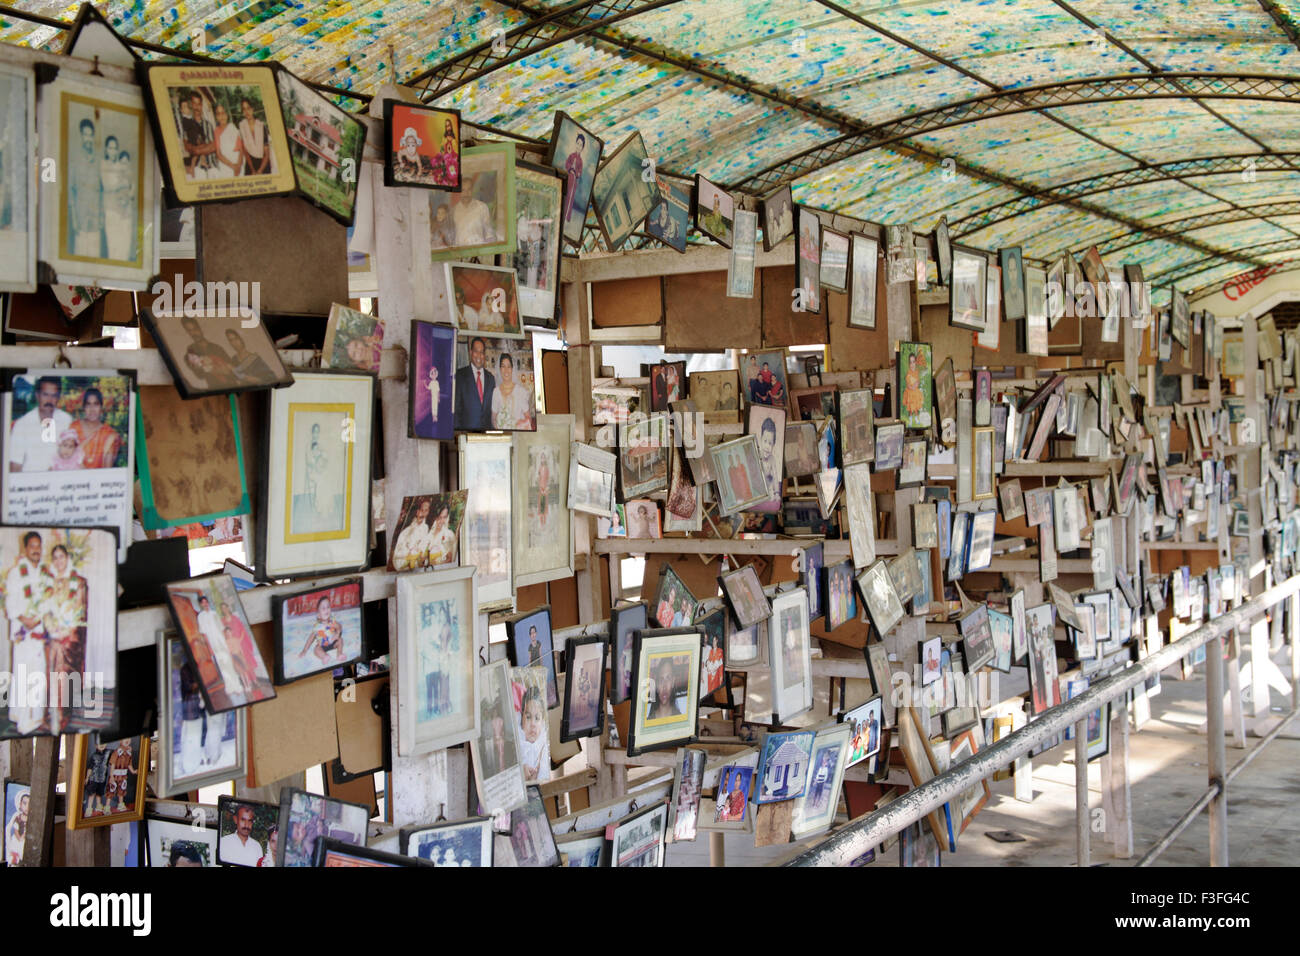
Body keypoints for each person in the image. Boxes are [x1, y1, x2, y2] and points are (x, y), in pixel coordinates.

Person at [6, 532, 50, 733]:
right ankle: (22, 718)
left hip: (39, 631)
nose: (36, 550)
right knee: (23, 672)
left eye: (38, 546)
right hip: (23, 633)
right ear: (26, 548)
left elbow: (48, 600)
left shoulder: (44, 573)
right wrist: (26, 620)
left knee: (39, 672)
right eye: (32, 546)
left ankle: (37, 717)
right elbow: (11, 603)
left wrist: (38, 619)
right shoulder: (16, 572)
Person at [43, 544, 86, 732]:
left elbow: (79, 611)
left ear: (67, 558)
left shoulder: (77, 582)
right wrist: (53, 629)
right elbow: (45, 611)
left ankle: (66, 714)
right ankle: (54, 714)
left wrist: (66, 631)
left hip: (70, 637)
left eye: (62, 556)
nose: (59, 561)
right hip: (54, 636)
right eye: (56, 557)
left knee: (65, 670)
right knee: (52, 669)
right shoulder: (50, 584)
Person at [10, 376, 73, 473]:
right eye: (45, 395)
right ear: (37, 395)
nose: (49, 400)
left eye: (54, 395)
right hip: (31, 484)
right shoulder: (22, 425)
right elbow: (15, 466)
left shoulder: (66, 420)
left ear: (59, 397)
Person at [196, 594, 245, 704]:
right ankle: (229, 687)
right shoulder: (201, 616)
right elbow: (203, 633)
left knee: (230, 664)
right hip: (213, 644)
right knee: (222, 665)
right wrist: (210, 647)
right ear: (200, 604)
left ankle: (237, 686)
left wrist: (225, 643)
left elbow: (221, 628)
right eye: (203, 602)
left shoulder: (214, 614)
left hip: (221, 642)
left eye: (206, 601)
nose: (205, 604)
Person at [68, 117, 103, 258]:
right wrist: (74, 220)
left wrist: (101, 217)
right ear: (81, 136)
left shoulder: (99, 161)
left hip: (95, 220)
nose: (88, 138)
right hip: (81, 220)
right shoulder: (75, 160)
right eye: (85, 135)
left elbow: (102, 191)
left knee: (95, 263)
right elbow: (71, 191)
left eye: (90, 135)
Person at [100, 139, 136, 261]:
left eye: (115, 148)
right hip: (111, 211)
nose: (113, 151)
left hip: (125, 213)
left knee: (124, 247)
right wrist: (121, 185)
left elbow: (131, 188)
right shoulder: (103, 165)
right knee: (113, 248)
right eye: (110, 148)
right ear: (106, 149)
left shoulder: (121, 166)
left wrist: (129, 193)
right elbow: (107, 186)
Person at [69, 387, 121, 469]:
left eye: (96, 404)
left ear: (101, 407)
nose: (92, 409)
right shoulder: (74, 427)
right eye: (88, 404)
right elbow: (66, 458)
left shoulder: (108, 434)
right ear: (84, 407)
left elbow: (107, 471)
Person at [454, 336, 495, 431]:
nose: (479, 356)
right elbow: (456, 410)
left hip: (486, 436)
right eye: (476, 351)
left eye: (482, 352)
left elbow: (492, 410)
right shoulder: (460, 376)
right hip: (465, 434)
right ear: (471, 352)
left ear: (484, 355)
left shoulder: (491, 379)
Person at [517, 683, 550, 782]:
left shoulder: (544, 746)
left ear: (542, 721)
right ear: (521, 717)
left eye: (537, 718)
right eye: (528, 717)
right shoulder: (515, 745)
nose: (533, 724)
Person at [177, 658, 205, 776]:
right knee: (190, 739)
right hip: (190, 709)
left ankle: (194, 763)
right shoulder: (186, 669)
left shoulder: (198, 666)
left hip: (197, 708)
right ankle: (188, 765)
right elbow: (189, 687)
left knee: (195, 738)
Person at [298, 595, 345, 665]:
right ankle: (325, 656)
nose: (326, 610)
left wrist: (337, 633)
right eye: (323, 608)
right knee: (316, 650)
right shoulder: (317, 627)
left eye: (328, 607)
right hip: (322, 646)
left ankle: (339, 654)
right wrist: (304, 650)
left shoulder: (332, 621)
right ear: (318, 615)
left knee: (340, 640)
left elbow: (339, 627)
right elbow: (310, 639)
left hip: (333, 642)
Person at [491, 352, 533, 430]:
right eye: (503, 366)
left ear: (512, 369)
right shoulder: (496, 392)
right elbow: (493, 419)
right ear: (499, 369)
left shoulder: (521, 391)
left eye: (509, 366)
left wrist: (519, 425)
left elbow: (528, 418)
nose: (506, 370)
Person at [181, 90, 216, 179]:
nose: (197, 107)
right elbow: (187, 147)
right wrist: (205, 147)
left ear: (202, 105)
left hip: (211, 166)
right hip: (196, 169)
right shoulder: (187, 123)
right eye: (194, 104)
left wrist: (196, 150)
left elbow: (213, 147)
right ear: (191, 105)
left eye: (199, 104)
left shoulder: (208, 125)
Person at [452, 173, 494, 246]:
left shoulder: (482, 207)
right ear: (459, 192)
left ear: (473, 189)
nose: (466, 193)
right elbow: (452, 237)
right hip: (460, 254)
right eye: (463, 190)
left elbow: (489, 234)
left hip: (478, 253)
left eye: (469, 189)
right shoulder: (454, 210)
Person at [392, 497, 433, 570]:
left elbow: (425, 548)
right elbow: (398, 554)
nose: (423, 513)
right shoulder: (407, 531)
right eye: (421, 510)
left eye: (426, 510)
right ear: (417, 512)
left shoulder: (427, 529)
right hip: (405, 563)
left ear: (429, 512)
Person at [238, 97, 273, 176]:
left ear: (252, 109)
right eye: (244, 109)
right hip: (250, 164)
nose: (247, 112)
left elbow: (266, 154)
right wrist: (253, 170)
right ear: (242, 112)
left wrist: (260, 171)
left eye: (248, 108)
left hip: (263, 163)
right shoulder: (242, 126)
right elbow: (245, 152)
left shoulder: (261, 126)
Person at [209, 102, 244, 178]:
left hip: (238, 163)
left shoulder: (232, 127)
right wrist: (233, 167)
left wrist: (238, 165)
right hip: (226, 165)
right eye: (218, 114)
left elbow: (241, 149)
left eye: (223, 113)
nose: (221, 116)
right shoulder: (216, 131)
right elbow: (219, 154)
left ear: (227, 114)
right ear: (216, 117)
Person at [562, 133, 586, 228]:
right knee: (565, 194)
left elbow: (580, 171)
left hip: (574, 181)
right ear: (575, 144)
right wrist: (570, 169)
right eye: (578, 143)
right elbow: (567, 164)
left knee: (571, 198)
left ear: (582, 147)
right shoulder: (571, 156)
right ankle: (562, 212)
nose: (579, 146)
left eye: (581, 145)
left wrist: (577, 173)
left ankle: (567, 216)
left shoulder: (580, 161)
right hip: (568, 178)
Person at [106, 738, 135, 813]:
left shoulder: (129, 753)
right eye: (125, 739)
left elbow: (129, 764)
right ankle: (107, 806)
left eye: (129, 738)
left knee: (122, 790)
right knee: (111, 790)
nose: (127, 740)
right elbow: (113, 764)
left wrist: (133, 771)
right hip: (115, 775)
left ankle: (120, 804)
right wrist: (111, 776)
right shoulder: (117, 752)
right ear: (120, 741)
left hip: (123, 776)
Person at [756, 415, 780, 502]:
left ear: (773, 445)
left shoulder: (772, 459)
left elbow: (775, 476)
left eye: (770, 443)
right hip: (758, 486)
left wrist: (777, 492)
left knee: (773, 498)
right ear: (761, 439)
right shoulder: (757, 455)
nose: (767, 446)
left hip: (768, 485)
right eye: (765, 441)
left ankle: (772, 494)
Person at [4, 791, 28, 865]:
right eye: (24, 803)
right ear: (20, 804)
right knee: (15, 849)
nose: (27, 806)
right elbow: (15, 829)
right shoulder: (17, 816)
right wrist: (19, 838)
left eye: (30, 804)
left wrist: (23, 837)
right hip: (17, 838)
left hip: (26, 839)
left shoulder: (31, 818)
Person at [902, 352, 926, 422]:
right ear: (909, 364)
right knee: (910, 408)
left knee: (916, 407)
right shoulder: (908, 373)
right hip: (910, 393)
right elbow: (908, 384)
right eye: (910, 362)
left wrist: (915, 385)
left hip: (915, 392)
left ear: (915, 362)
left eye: (913, 362)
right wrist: (911, 387)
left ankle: (916, 417)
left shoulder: (917, 372)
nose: (912, 364)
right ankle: (910, 419)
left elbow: (917, 381)